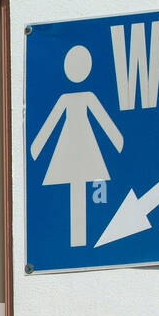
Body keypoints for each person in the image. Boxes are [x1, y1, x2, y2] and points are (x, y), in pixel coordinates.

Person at [30, 45, 123, 247]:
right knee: (76, 187)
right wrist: (36, 147)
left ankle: (79, 241)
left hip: (83, 148)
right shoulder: (67, 99)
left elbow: (103, 119)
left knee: (83, 188)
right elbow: (51, 123)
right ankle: (77, 241)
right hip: (70, 149)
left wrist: (117, 140)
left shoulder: (87, 97)